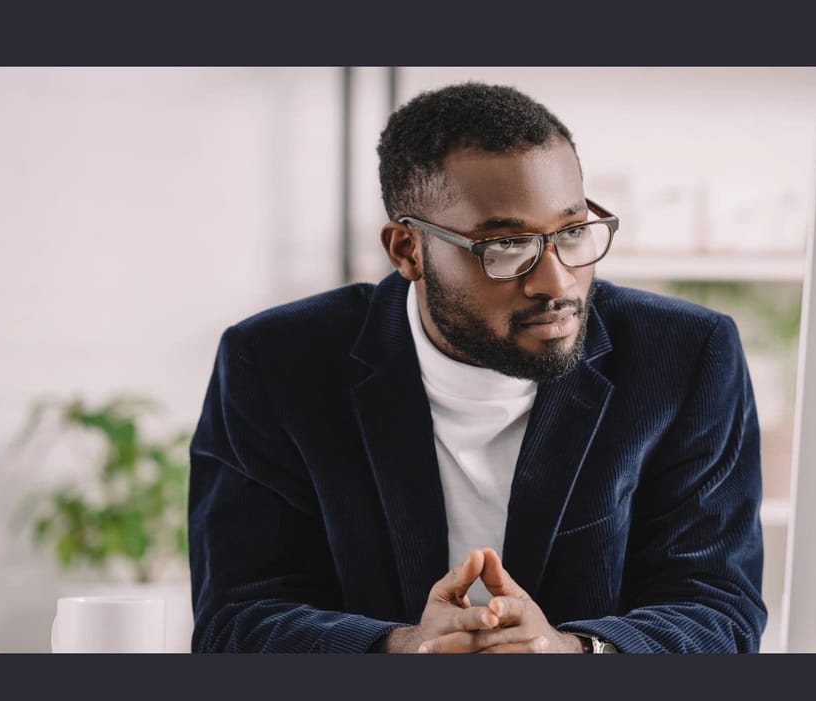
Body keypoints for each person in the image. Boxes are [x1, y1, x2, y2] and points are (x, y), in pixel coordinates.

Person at [188, 81, 767, 653]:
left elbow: (718, 609)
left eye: (571, 232)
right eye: (507, 248)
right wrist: (399, 650)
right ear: (407, 251)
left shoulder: (687, 355)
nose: (557, 281)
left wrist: (574, 654)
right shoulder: (273, 361)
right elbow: (236, 619)